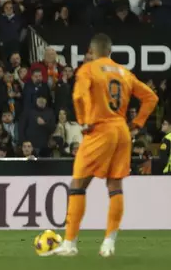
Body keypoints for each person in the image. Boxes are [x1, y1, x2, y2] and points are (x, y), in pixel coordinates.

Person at [50, 34, 158, 257]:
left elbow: (79, 97)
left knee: (78, 184)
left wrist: (83, 121)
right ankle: (109, 242)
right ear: (109, 51)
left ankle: (70, 243)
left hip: (99, 130)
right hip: (122, 132)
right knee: (115, 186)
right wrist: (136, 124)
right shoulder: (124, 72)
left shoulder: (88, 70)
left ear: (91, 51)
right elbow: (151, 98)